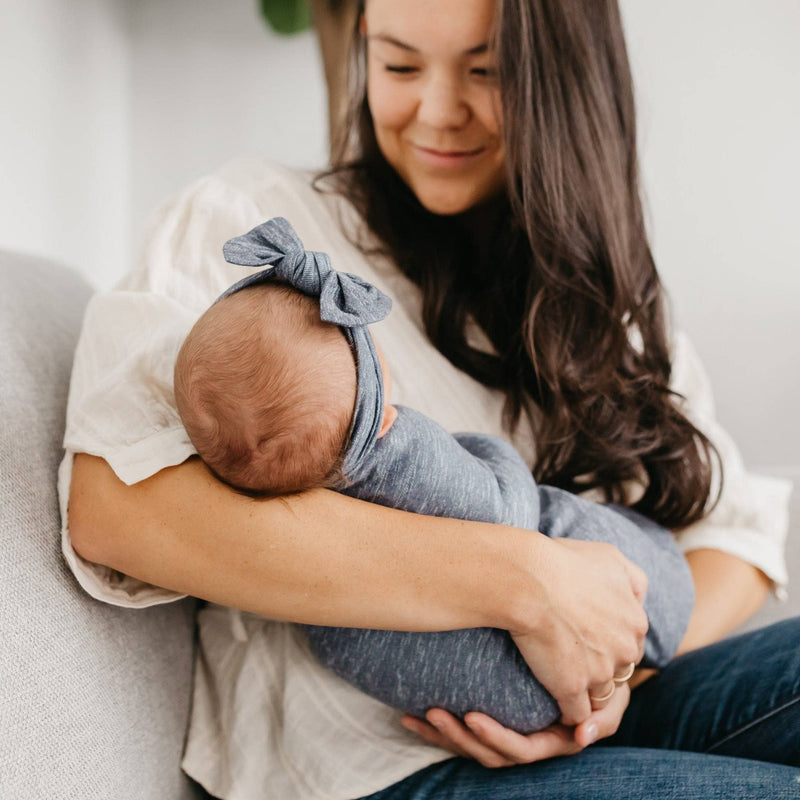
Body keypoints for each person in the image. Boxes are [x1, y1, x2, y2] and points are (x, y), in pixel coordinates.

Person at [61, 0, 797, 798]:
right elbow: (117, 501)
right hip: (382, 768)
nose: (439, 112)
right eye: (399, 65)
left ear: (567, 83)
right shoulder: (253, 221)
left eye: (486, 71)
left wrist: (609, 675)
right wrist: (525, 582)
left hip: (605, 712)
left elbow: (735, 531)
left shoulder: (593, 295)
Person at [173, 216, 693, 733]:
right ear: (372, 375)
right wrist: (492, 451)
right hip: (536, 670)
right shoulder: (399, 451)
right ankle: (656, 609)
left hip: (469, 696)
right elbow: (503, 516)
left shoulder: (282, 519)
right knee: (555, 517)